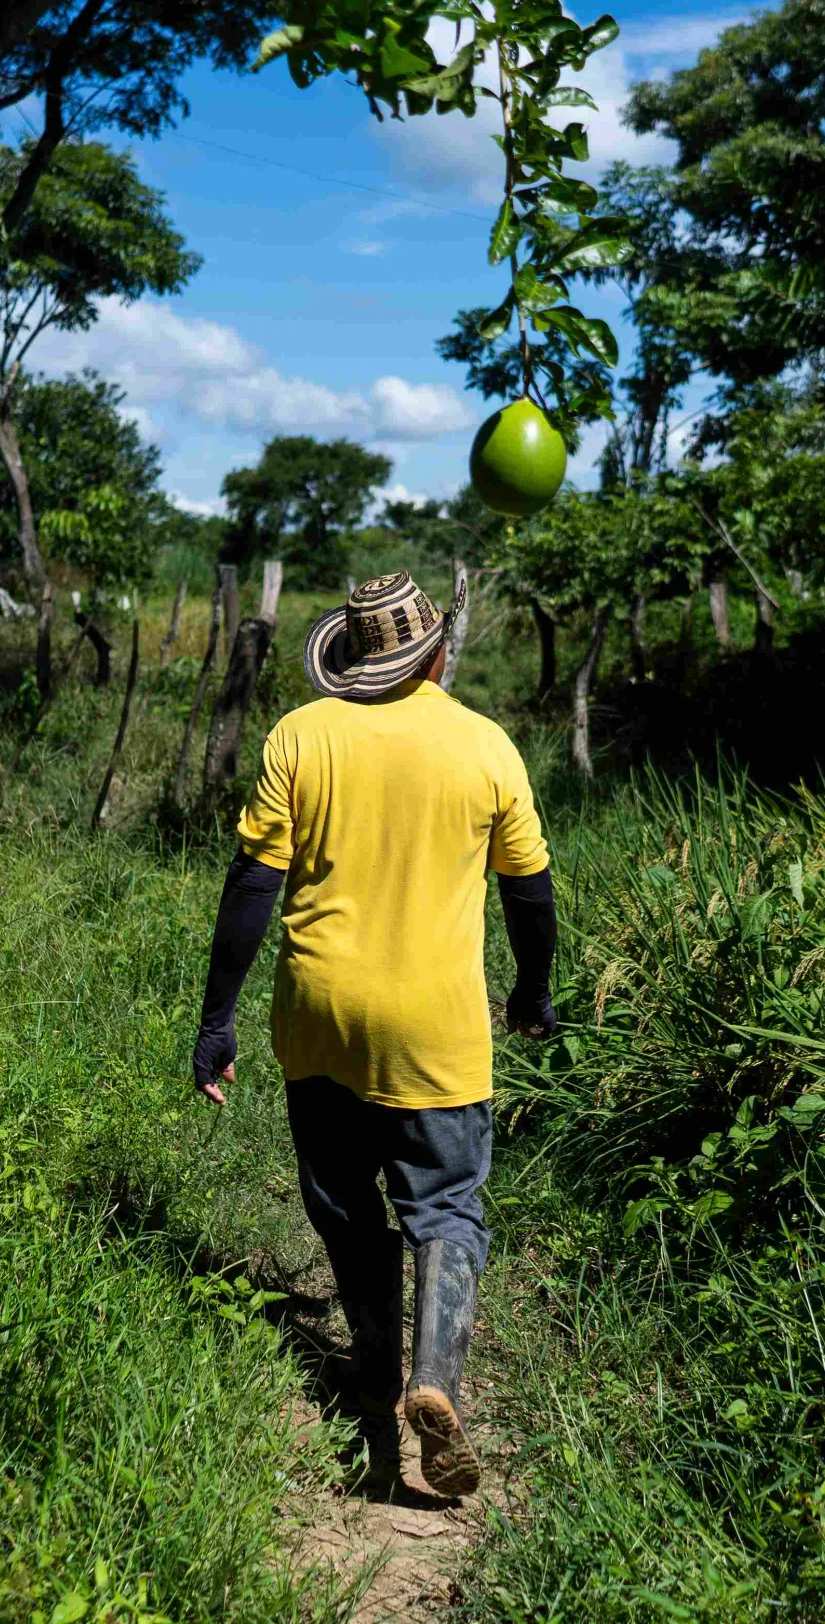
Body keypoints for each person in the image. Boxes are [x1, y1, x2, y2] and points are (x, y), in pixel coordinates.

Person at [190, 572, 557, 1498]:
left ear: (353, 659)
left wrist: (216, 1021)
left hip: (320, 1016)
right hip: (435, 1028)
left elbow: (250, 890)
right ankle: (434, 1378)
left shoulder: (302, 735)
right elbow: (530, 893)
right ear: (436, 651)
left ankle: (373, 1370)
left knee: (346, 1203)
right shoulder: (484, 746)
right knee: (447, 1206)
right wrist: (533, 993)